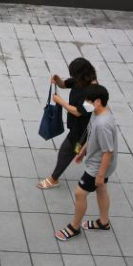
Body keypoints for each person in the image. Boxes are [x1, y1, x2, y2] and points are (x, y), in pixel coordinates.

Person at [55, 85, 117, 241]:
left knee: (80, 193)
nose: (85, 104)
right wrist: (83, 151)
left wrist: (100, 175)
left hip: (97, 167)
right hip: (99, 164)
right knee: (101, 189)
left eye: (88, 101)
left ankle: (74, 227)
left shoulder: (103, 124)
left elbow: (107, 151)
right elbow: (93, 136)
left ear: (97, 101)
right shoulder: (99, 113)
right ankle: (104, 222)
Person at [37, 58, 98, 189]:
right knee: (76, 150)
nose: (73, 78)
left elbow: (79, 112)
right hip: (76, 128)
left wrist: (60, 101)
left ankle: (53, 179)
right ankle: (86, 153)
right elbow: (64, 84)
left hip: (83, 131)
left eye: (74, 75)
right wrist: (58, 80)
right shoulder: (79, 81)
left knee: (66, 152)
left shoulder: (94, 92)